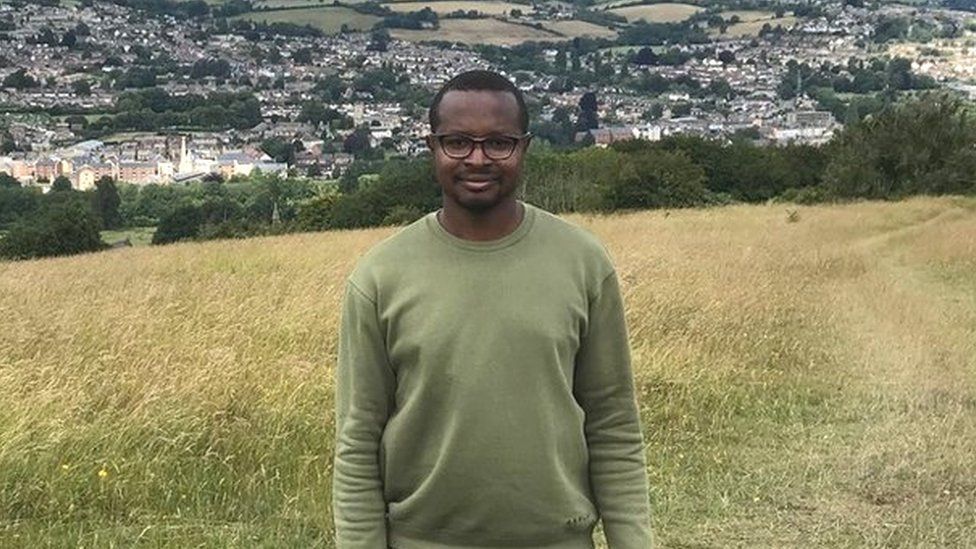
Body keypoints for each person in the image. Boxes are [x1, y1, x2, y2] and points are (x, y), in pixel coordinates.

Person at [332, 69, 652, 549]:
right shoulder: (380, 277)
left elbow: (613, 424)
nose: (477, 159)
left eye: (499, 143)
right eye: (457, 142)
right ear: (431, 148)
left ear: (524, 148)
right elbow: (357, 443)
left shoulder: (584, 263)